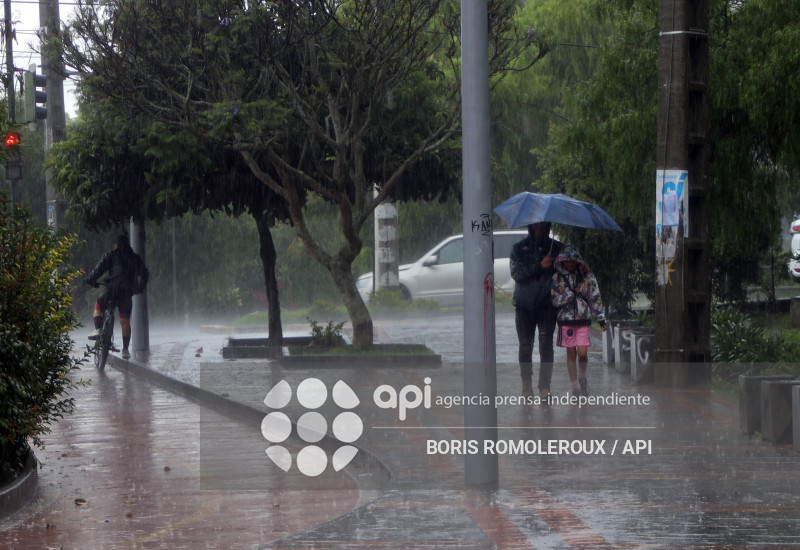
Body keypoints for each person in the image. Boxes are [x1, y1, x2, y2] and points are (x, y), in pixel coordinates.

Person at [510, 222, 563, 398]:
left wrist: (557, 265)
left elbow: (565, 273)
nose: (539, 229)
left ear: (547, 226)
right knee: (525, 345)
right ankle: (526, 385)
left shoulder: (556, 248)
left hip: (547, 304)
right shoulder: (519, 248)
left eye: (543, 225)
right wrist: (540, 265)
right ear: (530, 227)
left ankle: (544, 386)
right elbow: (518, 274)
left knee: (546, 345)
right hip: (524, 304)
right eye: (536, 226)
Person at [550, 243, 606, 397]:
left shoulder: (586, 276)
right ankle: (574, 387)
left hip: (583, 319)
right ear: (562, 261)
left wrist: (601, 318)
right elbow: (555, 300)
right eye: (566, 261)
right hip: (565, 320)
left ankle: (582, 377)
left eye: (572, 261)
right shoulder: (556, 278)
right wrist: (570, 295)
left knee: (582, 353)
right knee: (570, 353)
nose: (569, 264)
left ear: (578, 262)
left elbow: (594, 296)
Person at [85, 234, 149, 360]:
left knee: (98, 306)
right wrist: (139, 288)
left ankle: (98, 329)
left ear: (116, 244)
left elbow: (99, 268)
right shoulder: (134, 258)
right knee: (125, 321)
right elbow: (145, 273)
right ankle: (125, 350)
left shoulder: (111, 254)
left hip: (111, 290)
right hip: (126, 293)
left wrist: (91, 280)